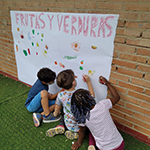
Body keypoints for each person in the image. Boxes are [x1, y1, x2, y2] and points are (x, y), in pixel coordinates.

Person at [71, 76, 124, 150]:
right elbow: (117, 97)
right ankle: (91, 145)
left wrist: (79, 142)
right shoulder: (103, 105)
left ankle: (91, 145)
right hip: (120, 145)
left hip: (104, 148)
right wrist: (107, 83)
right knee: (93, 131)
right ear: (90, 97)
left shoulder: (82, 118)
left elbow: (82, 131)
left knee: (91, 131)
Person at [46, 69, 93, 140]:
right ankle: (76, 134)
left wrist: (55, 114)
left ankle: (61, 126)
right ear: (74, 82)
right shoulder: (80, 94)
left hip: (68, 123)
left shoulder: (60, 95)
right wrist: (89, 82)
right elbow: (92, 96)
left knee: (64, 114)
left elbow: (57, 107)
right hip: (80, 126)